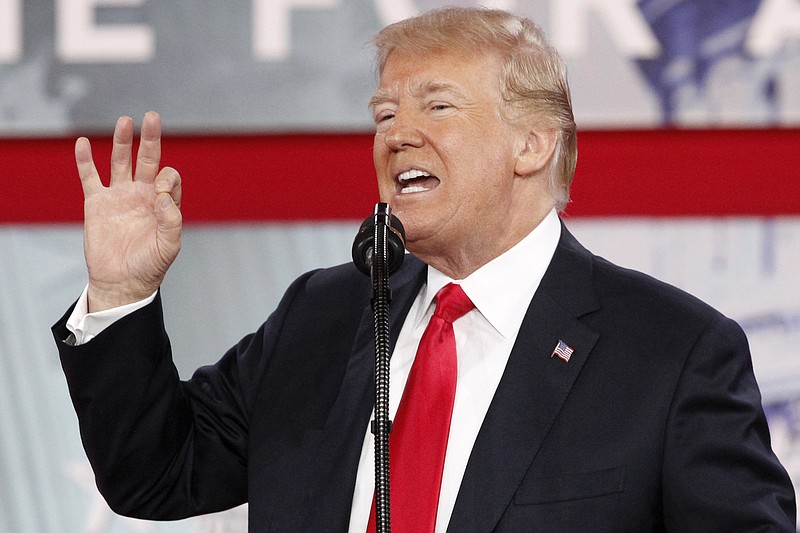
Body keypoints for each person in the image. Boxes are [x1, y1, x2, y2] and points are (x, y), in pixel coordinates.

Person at [53, 6, 796, 532]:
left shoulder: (671, 353)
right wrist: (121, 291)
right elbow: (155, 471)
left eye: (436, 107)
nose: (398, 134)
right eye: (383, 115)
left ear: (533, 143)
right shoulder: (323, 315)